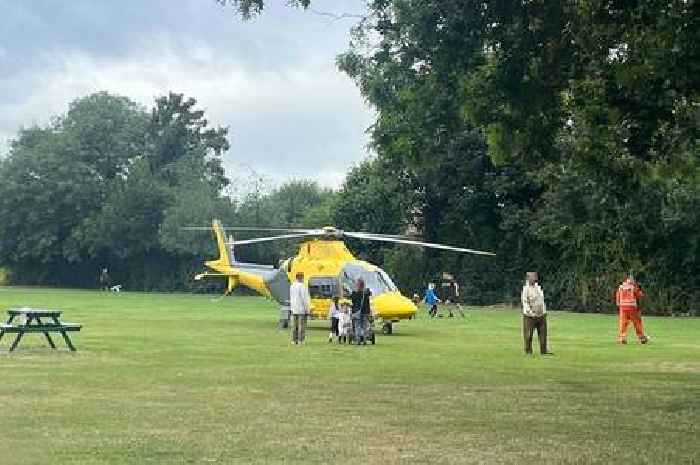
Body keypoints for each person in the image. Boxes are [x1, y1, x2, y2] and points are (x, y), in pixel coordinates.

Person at [521, 272, 553, 355]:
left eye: (535, 276)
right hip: (530, 316)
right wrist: (531, 312)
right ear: (528, 278)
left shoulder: (538, 287)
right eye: (533, 277)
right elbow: (525, 302)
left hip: (541, 315)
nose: (535, 278)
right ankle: (528, 351)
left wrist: (544, 311)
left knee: (543, 334)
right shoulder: (526, 289)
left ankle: (544, 351)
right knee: (528, 335)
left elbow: (541, 300)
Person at [616, 274, 649, 344]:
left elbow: (617, 296)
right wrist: (640, 289)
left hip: (622, 307)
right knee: (637, 322)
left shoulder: (621, 287)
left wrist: (618, 303)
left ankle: (622, 337)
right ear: (631, 280)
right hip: (632, 307)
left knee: (623, 323)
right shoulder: (633, 287)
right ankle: (641, 337)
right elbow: (639, 295)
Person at [289, 272, 311, 345]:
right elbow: (304, 298)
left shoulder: (292, 286)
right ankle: (300, 340)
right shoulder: (302, 286)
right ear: (301, 278)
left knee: (294, 326)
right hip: (301, 309)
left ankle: (293, 340)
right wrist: (307, 308)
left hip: (294, 308)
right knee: (302, 326)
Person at [350, 279, 372, 345]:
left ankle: (358, 340)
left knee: (357, 326)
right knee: (365, 326)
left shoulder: (354, 293)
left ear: (357, 285)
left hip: (357, 312)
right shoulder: (366, 293)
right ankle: (365, 339)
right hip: (365, 312)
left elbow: (353, 302)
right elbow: (368, 302)